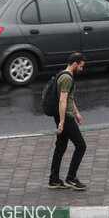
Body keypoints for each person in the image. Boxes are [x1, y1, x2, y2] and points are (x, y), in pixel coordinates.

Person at [48, 52, 88, 191]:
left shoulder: (62, 74)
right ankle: (71, 178)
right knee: (81, 146)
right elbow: (62, 101)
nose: (81, 69)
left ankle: (53, 180)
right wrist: (62, 122)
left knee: (60, 147)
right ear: (75, 63)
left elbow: (69, 97)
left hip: (66, 115)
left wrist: (77, 112)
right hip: (65, 117)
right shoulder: (67, 79)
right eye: (81, 66)